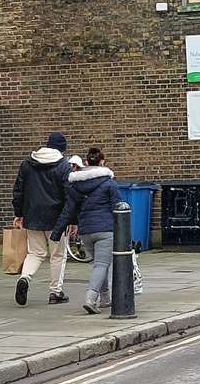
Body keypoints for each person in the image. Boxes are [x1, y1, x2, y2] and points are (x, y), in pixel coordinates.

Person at [54, 146, 120, 315]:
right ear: (102, 162)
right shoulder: (109, 184)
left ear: (85, 162)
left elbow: (68, 210)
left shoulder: (75, 186)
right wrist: (126, 234)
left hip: (86, 231)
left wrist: (56, 232)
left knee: (100, 264)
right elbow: (119, 209)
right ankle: (90, 299)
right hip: (105, 230)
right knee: (101, 265)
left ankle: (105, 299)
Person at [12, 131, 71, 306]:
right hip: (57, 218)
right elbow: (69, 194)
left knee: (35, 252)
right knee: (58, 255)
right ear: (62, 149)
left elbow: (18, 191)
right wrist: (73, 219)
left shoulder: (27, 164)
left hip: (32, 214)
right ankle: (55, 292)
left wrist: (18, 213)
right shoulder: (63, 166)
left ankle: (25, 277)